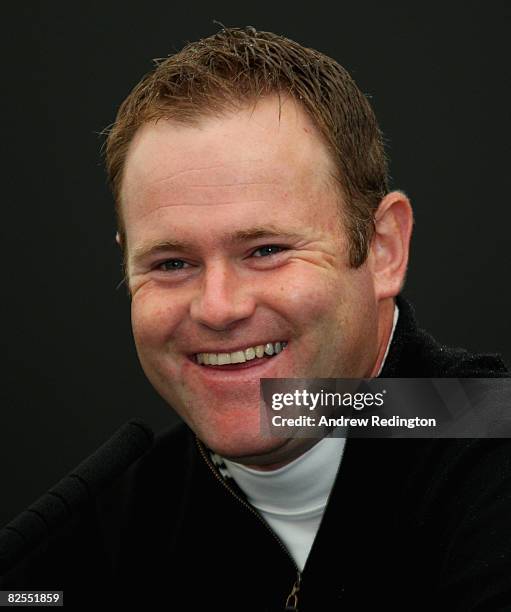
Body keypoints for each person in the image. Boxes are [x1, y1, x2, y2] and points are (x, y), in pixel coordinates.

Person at [1, 26, 510, 611]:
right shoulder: (101, 519)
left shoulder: (487, 443)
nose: (218, 308)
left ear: (383, 249)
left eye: (266, 250)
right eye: (171, 263)